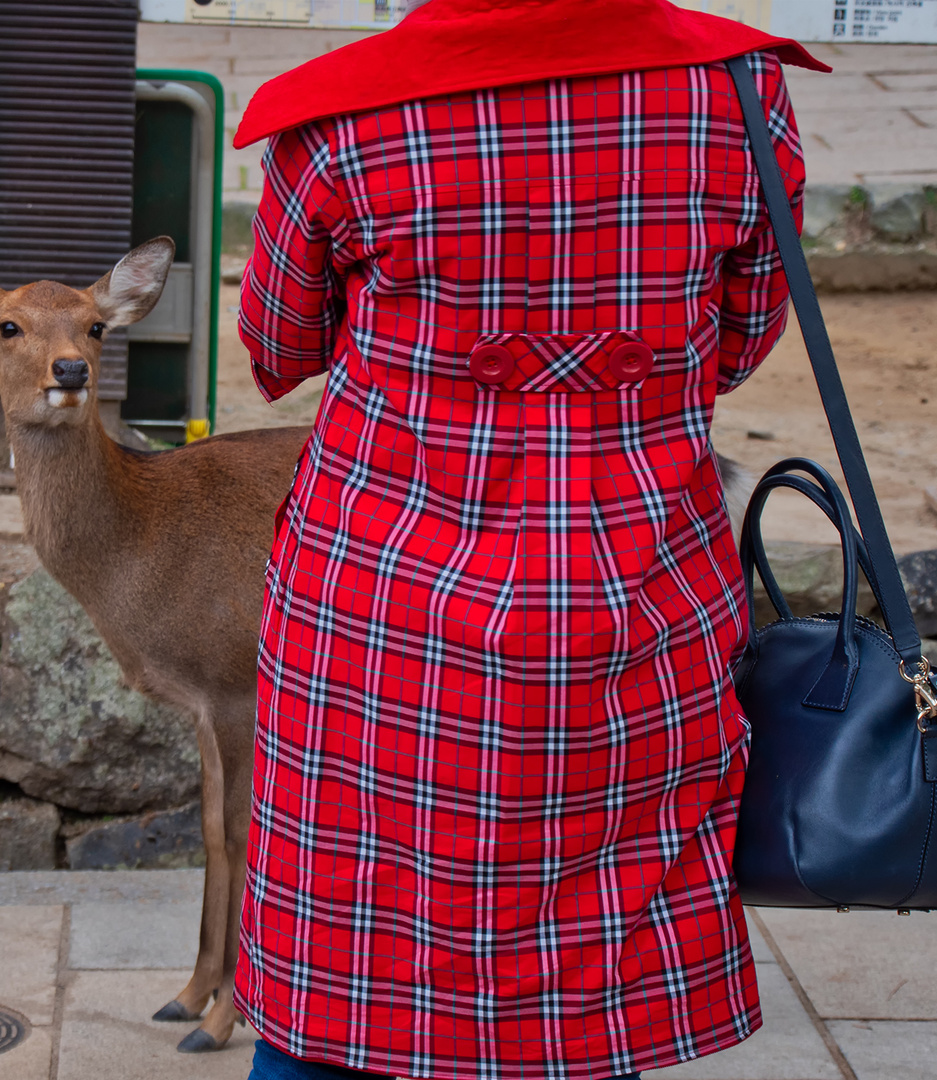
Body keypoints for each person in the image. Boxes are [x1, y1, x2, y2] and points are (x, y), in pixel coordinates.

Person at [231, 1, 828, 1078]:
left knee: (347, 925)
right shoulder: (737, 90)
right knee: (591, 948)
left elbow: (279, 343)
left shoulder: (345, 117)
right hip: (637, 583)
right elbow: (739, 344)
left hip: (383, 591)